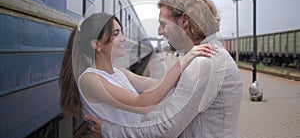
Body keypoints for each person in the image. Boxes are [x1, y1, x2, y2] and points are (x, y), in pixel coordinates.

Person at [86, 0, 243, 138]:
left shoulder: (203, 62)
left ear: (184, 21)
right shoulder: (212, 54)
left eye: (163, 24)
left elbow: (165, 129)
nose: (159, 32)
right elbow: (173, 116)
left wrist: (109, 130)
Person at [59, 13, 215, 125]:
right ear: (97, 45)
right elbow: (142, 105)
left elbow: (157, 84)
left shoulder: (119, 72)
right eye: (116, 34)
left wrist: (194, 76)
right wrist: (182, 62)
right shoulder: (90, 79)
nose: (124, 39)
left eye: (122, 32)